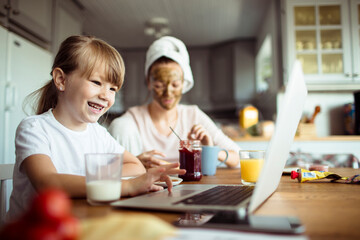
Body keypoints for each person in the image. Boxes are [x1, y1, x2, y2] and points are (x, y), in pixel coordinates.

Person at [7, 35, 185, 221]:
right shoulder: (34, 128)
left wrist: (98, 178)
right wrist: (127, 186)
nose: (105, 95)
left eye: (113, 89)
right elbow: (48, 183)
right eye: (96, 82)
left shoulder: (98, 133)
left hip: (79, 226)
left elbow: (136, 167)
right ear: (61, 80)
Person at [108, 36, 240, 169]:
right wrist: (135, 163)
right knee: (120, 125)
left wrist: (209, 150)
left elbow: (239, 157)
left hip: (192, 187)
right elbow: (109, 167)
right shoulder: (132, 120)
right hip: (146, 187)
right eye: (159, 85)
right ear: (149, 83)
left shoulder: (193, 115)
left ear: (184, 83)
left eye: (175, 85)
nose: (168, 93)